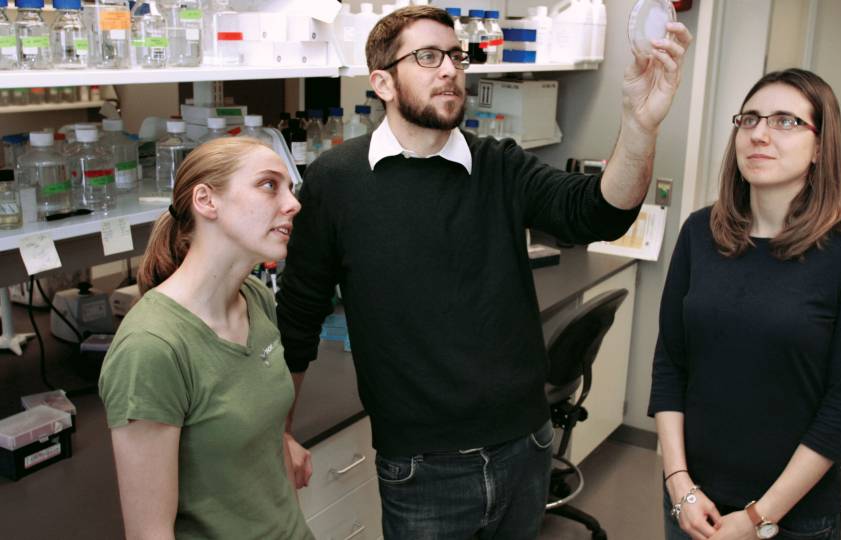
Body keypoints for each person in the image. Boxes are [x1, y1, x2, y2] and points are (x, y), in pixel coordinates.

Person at [276, 5, 691, 539]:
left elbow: (600, 212)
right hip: (420, 467)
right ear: (381, 81)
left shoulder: (498, 164)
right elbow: (299, 318)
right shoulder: (336, 181)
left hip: (525, 447)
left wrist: (639, 124)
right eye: (427, 56)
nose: (450, 68)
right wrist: (278, 434)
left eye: (455, 55)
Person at [648, 68, 841, 540]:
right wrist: (680, 485)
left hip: (794, 517)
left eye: (785, 121)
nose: (759, 133)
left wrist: (759, 516)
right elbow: (670, 365)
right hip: (694, 504)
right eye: (750, 119)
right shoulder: (700, 232)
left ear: (821, 147)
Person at [98, 137, 312, 539]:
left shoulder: (256, 299)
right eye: (269, 185)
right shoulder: (152, 347)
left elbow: (267, 442)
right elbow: (150, 533)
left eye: (291, 189)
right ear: (206, 201)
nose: (292, 204)